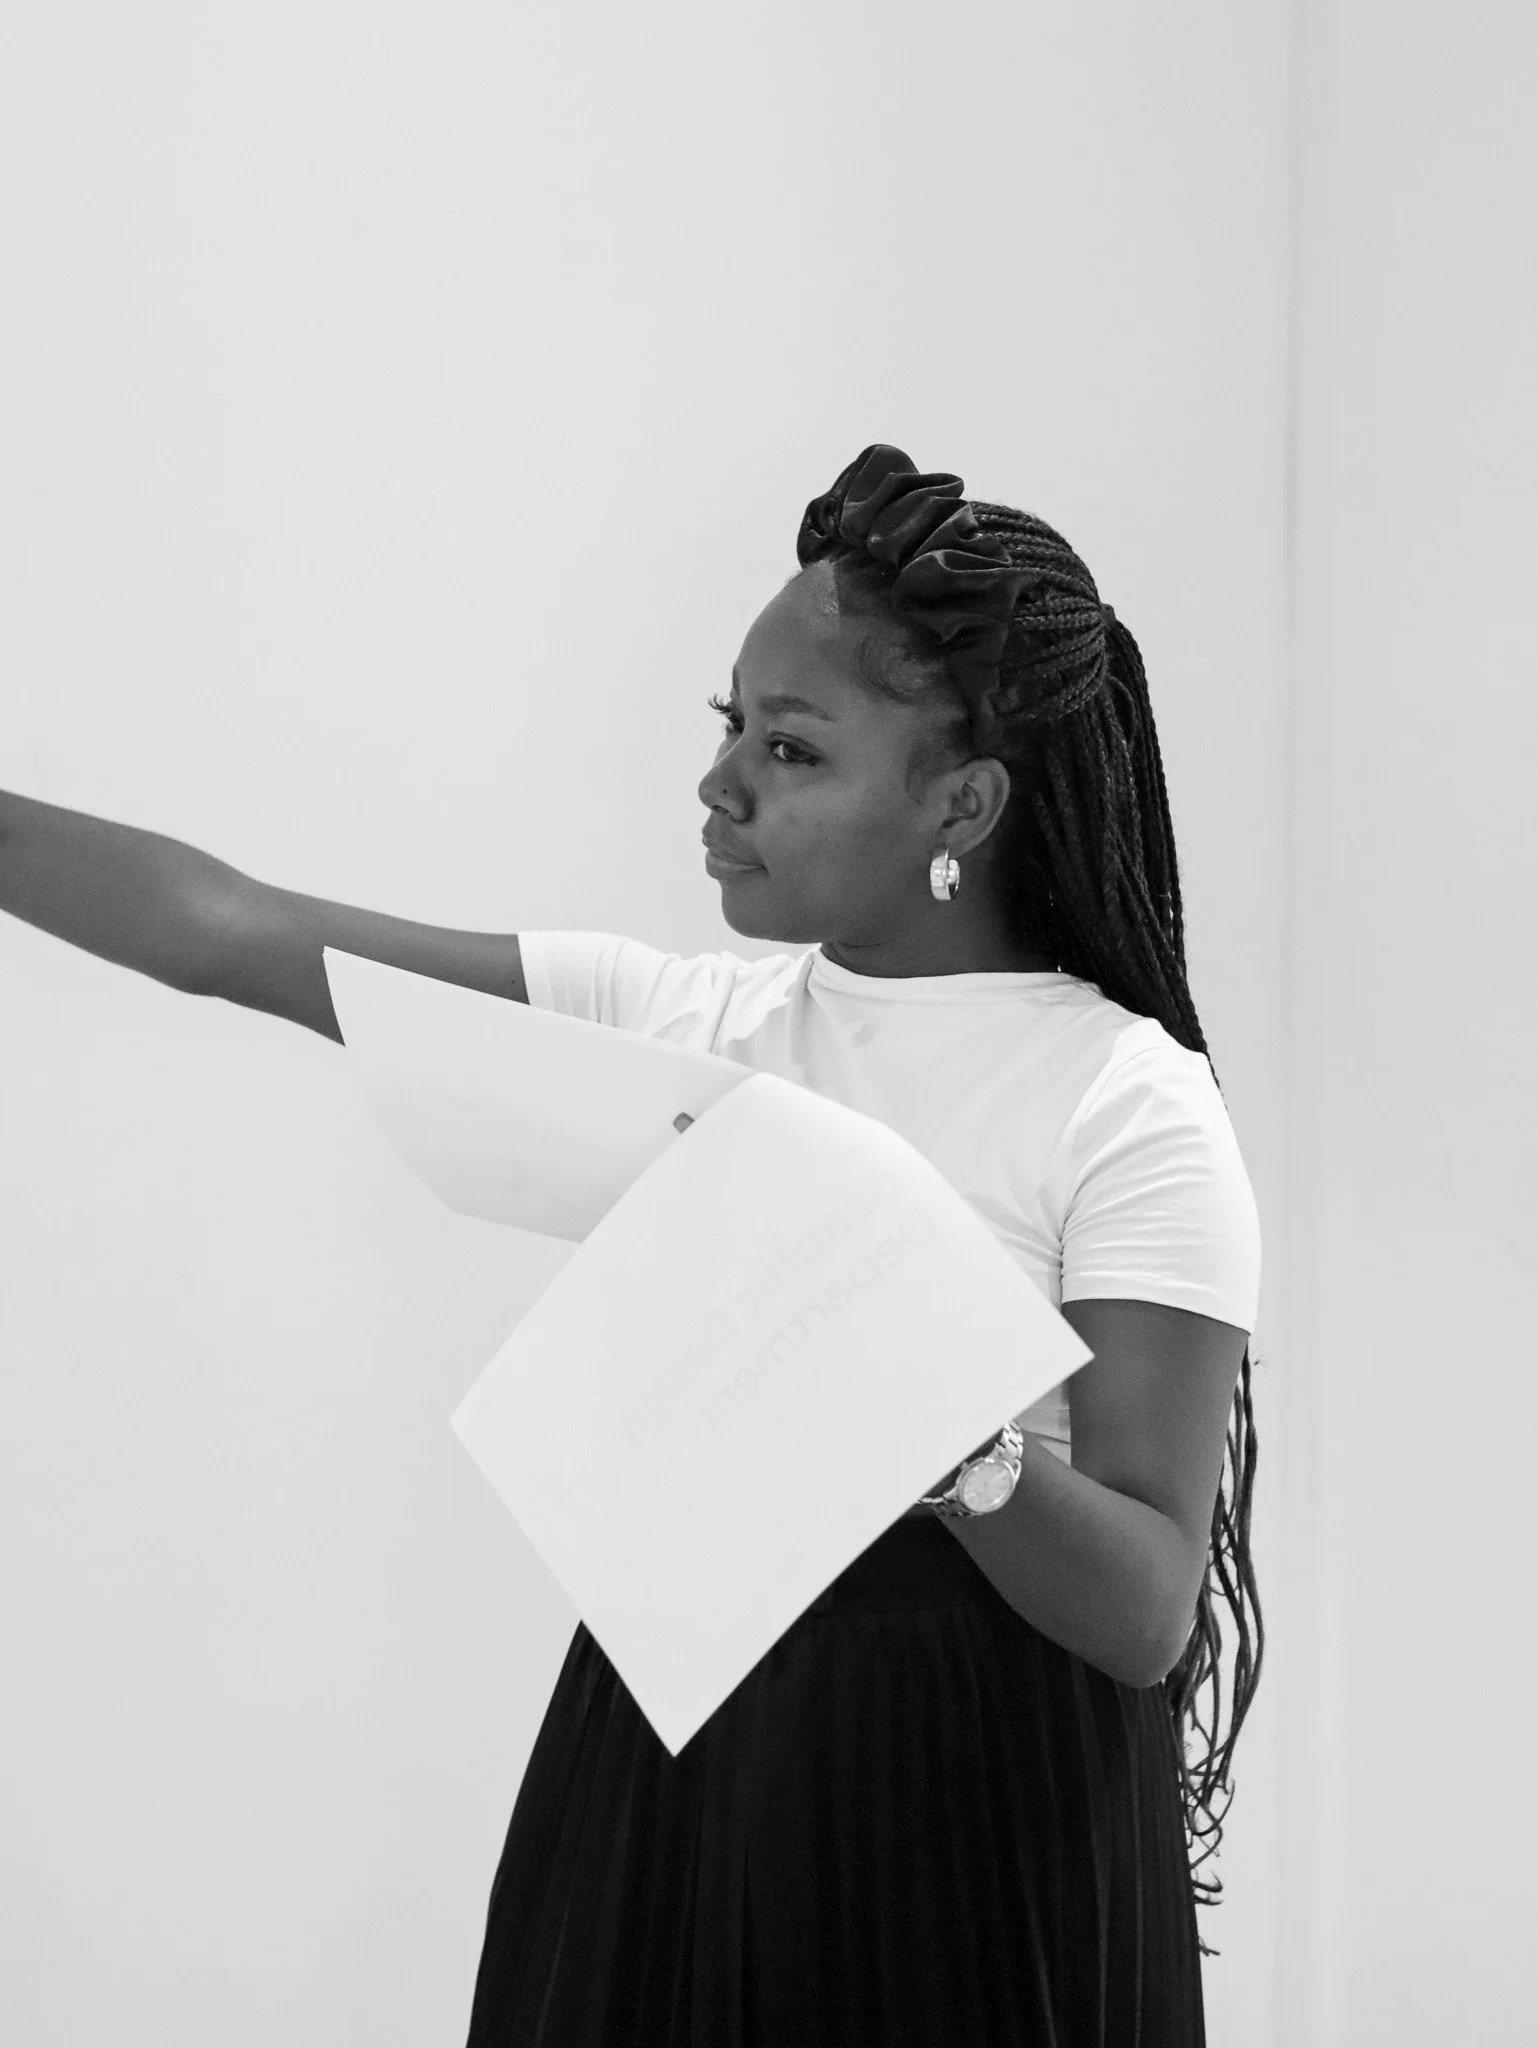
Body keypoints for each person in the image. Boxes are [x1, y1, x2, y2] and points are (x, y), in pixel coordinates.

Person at [0, 442, 1263, 2046]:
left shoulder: (1123, 1101)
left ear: (962, 803)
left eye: (789, 748)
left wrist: (937, 1418)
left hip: (974, 1800)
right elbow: (223, 933)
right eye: (730, 726)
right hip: (680, 1758)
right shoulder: (676, 1025)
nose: (720, 785)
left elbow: (1147, 1605)